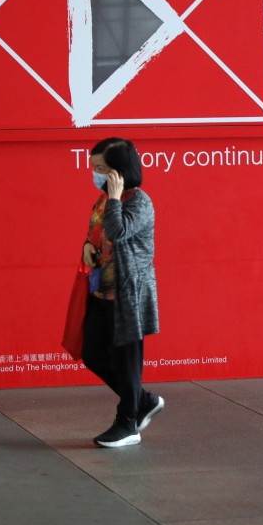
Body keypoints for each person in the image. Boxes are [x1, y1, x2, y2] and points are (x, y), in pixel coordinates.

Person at [82, 137, 163, 448]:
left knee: (127, 362)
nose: (96, 175)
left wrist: (115, 198)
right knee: (92, 354)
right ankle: (143, 400)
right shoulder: (103, 200)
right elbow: (97, 234)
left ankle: (128, 423)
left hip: (128, 295)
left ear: (120, 170)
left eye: (102, 169)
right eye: (94, 168)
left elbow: (118, 231)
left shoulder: (139, 202)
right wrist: (87, 246)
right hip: (100, 290)